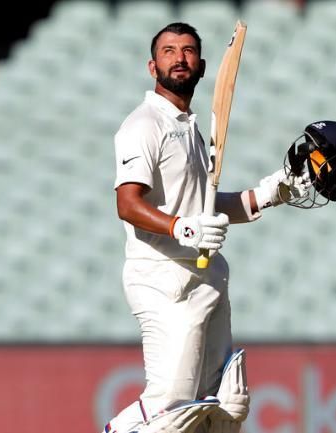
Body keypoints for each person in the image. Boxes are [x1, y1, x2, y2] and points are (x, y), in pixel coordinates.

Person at [104, 22, 308, 433]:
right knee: (170, 410)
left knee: (225, 405)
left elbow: (206, 208)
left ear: (201, 65)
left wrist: (271, 192)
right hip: (163, 279)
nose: (179, 57)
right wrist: (183, 229)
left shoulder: (192, 130)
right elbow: (127, 203)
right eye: (168, 51)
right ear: (151, 65)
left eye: (188, 51)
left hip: (206, 276)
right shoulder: (143, 125)